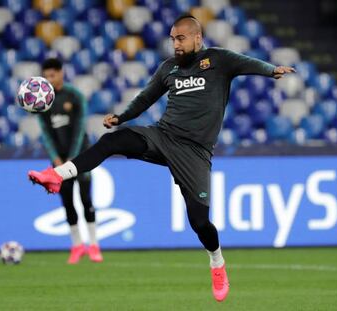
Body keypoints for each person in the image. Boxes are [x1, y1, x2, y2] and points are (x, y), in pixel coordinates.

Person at [29, 15, 295, 301]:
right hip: (163, 137)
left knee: (200, 223)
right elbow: (145, 98)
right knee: (112, 140)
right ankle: (57, 175)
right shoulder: (168, 68)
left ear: (197, 37)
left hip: (194, 153)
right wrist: (122, 117)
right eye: (172, 39)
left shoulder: (218, 60)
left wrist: (271, 70)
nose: (175, 44)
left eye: (181, 38)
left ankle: (217, 262)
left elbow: (248, 63)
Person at [37, 58, 103, 264]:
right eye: (46, 76)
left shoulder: (75, 96)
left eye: (52, 75)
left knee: (86, 200)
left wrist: (72, 157)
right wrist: (55, 158)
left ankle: (93, 245)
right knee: (67, 203)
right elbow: (46, 133)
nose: (49, 79)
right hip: (59, 161)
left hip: (80, 158)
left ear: (61, 73)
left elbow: (79, 128)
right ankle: (77, 246)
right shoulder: (43, 100)